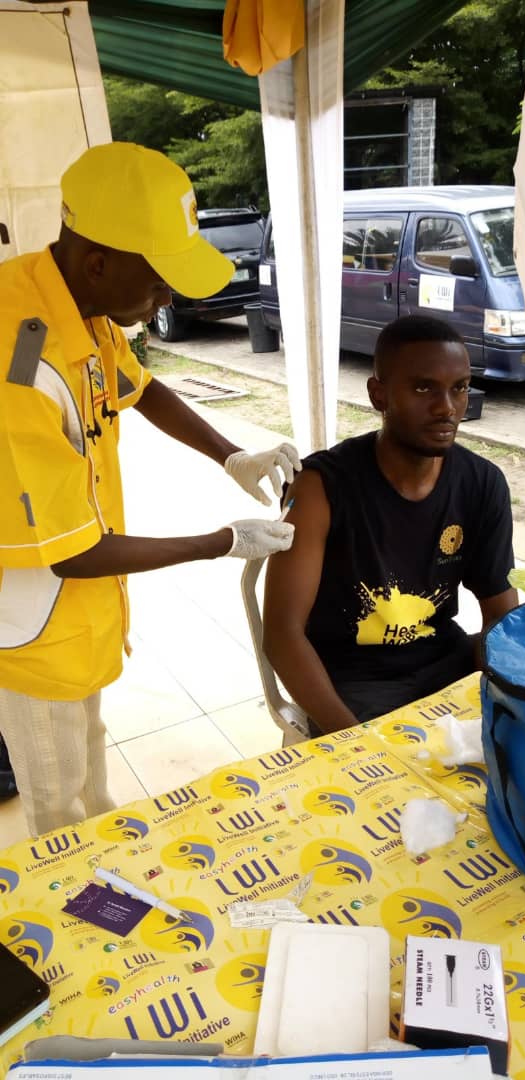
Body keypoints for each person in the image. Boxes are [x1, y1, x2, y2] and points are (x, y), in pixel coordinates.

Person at [0, 141, 301, 836]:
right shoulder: (20, 366)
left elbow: (141, 388)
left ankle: (105, 864)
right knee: (58, 811)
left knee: (91, 771)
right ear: (97, 261)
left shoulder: (83, 306)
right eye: (160, 280)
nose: (168, 298)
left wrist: (233, 455)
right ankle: (72, 925)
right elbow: (71, 553)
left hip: (75, 618)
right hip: (29, 631)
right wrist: (218, 542)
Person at [263, 314, 518, 736]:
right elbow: (283, 634)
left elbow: (500, 615)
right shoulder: (320, 488)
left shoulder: (482, 483)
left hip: (444, 660)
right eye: (424, 388)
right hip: (352, 681)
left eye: (460, 388)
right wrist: (354, 743)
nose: (447, 408)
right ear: (378, 395)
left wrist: (504, 705)